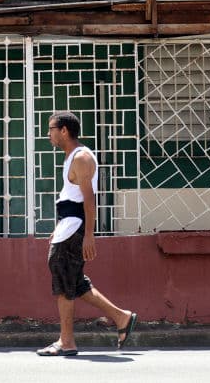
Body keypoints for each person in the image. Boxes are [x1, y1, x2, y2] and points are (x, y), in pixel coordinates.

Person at [36, 111, 137, 357]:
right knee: (74, 282)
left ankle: (67, 342)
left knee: (63, 283)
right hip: (68, 226)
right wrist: (58, 229)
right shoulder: (72, 157)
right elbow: (72, 198)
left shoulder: (81, 158)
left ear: (63, 131)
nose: (48, 134)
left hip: (75, 228)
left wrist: (89, 235)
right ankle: (121, 317)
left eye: (51, 129)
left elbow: (89, 200)